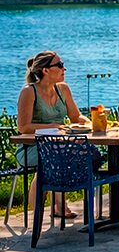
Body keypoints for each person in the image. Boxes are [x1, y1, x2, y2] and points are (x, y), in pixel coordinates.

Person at [16, 51, 88, 218]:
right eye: (60, 65)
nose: (64, 68)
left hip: (59, 145)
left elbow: (75, 116)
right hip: (31, 148)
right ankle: (40, 215)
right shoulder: (29, 91)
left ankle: (60, 205)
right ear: (45, 71)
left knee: (76, 153)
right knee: (54, 158)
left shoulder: (63, 89)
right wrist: (55, 126)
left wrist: (88, 122)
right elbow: (23, 127)